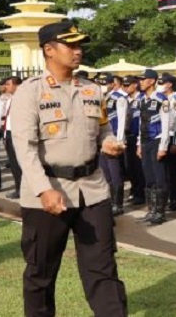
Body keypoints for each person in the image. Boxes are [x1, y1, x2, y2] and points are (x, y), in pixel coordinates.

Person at [10, 19, 127, 317]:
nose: (78, 51)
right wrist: (43, 190)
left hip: (92, 190)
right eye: (70, 45)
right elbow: (24, 148)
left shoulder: (91, 89)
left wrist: (110, 143)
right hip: (49, 192)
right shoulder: (29, 92)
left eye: (79, 45)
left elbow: (103, 130)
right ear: (49, 50)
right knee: (41, 271)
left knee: (102, 267)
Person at [137, 68, 171, 225]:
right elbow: (140, 123)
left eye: (143, 79)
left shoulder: (161, 99)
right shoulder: (142, 99)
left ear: (151, 81)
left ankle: (160, 212)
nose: (140, 82)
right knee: (148, 177)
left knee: (159, 177)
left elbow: (166, 125)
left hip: (156, 140)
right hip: (145, 141)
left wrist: (163, 146)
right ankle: (151, 209)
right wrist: (138, 143)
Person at [102, 72, 129, 216]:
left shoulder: (119, 98)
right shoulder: (101, 98)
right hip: (102, 140)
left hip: (113, 139)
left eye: (105, 83)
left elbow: (121, 120)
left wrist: (119, 140)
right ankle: (109, 200)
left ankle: (118, 203)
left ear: (112, 84)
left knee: (115, 173)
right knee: (106, 174)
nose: (102, 86)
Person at [160, 73, 176, 211]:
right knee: (163, 172)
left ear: (169, 84)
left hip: (171, 138)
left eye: (161, 82)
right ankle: (165, 198)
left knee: (173, 171)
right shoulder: (162, 98)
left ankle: (175, 199)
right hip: (161, 138)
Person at [122, 76, 146, 205]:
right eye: (124, 85)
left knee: (139, 168)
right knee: (129, 167)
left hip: (138, 136)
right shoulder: (124, 99)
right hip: (127, 136)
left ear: (134, 85)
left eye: (127, 85)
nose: (125, 88)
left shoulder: (142, 99)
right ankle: (134, 190)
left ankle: (140, 193)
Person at [1, 76, 24, 199]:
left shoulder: (23, 98)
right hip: (9, 133)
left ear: (17, 85)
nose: (6, 87)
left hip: (18, 134)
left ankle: (23, 189)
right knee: (14, 164)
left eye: (8, 84)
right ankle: (18, 188)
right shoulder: (10, 99)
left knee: (19, 164)